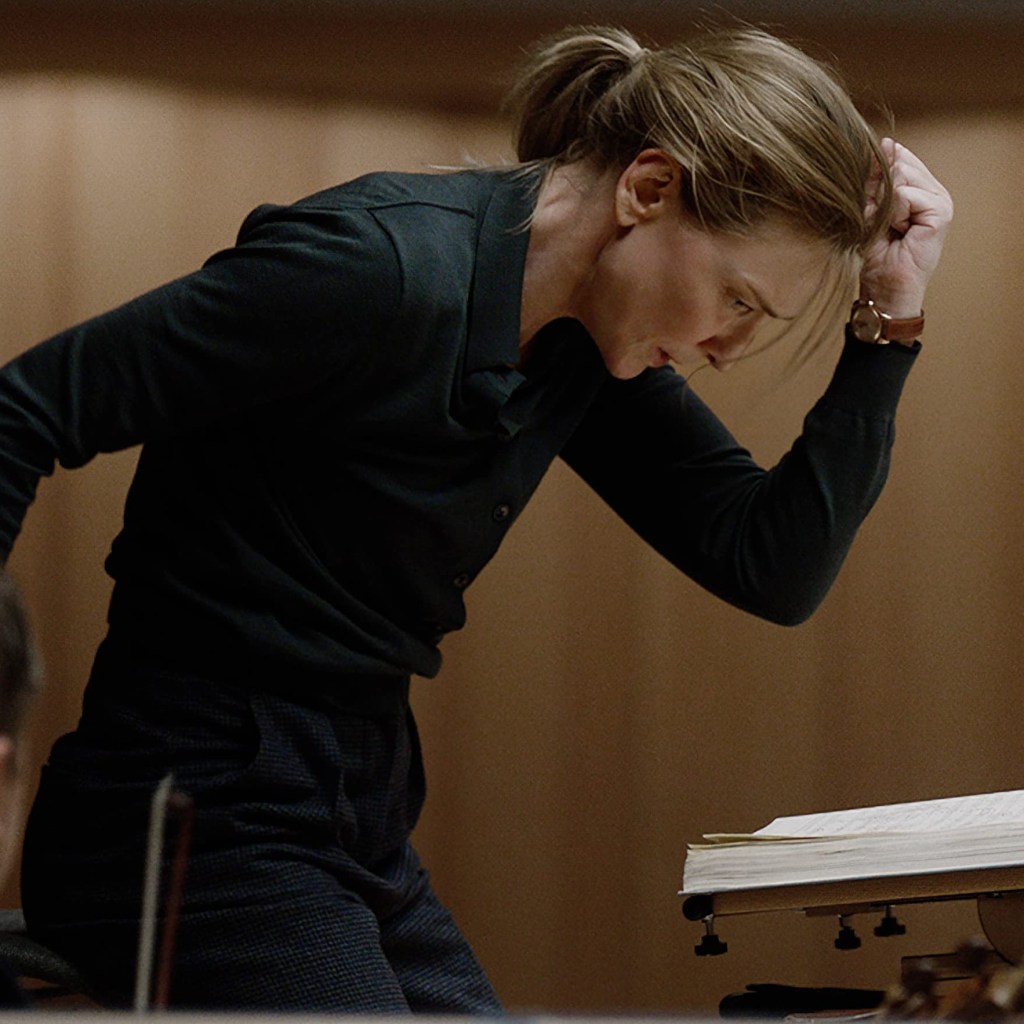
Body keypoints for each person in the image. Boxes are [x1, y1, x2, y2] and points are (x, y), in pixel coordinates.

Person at [6, 22, 950, 1013]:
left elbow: (771, 563)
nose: (728, 346)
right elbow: (24, 409)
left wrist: (888, 321)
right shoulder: (373, 267)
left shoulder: (578, 340)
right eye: (738, 300)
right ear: (648, 189)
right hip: (183, 813)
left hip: (352, 813)